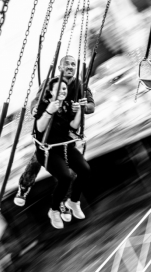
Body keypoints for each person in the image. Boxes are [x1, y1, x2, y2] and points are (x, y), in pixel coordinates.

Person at [13, 55, 95, 216]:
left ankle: (64, 202)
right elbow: (36, 101)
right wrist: (36, 108)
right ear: (60, 67)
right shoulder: (50, 83)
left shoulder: (80, 85)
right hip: (49, 133)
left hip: (67, 133)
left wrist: (84, 107)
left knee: (70, 171)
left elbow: (91, 106)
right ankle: (24, 187)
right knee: (37, 160)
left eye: (73, 64)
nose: (70, 67)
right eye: (66, 64)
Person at [32, 78, 91, 229]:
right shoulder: (43, 105)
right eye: (59, 89)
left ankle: (73, 201)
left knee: (85, 170)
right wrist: (48, 111)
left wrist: (80, 111)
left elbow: (73, 126)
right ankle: (54, 210)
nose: (63, 91)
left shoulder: (67, 105)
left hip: (65, 147)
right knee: (65, 177)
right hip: (48, 151)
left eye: (64, 89)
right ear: (51, 91)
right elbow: (39, 128)